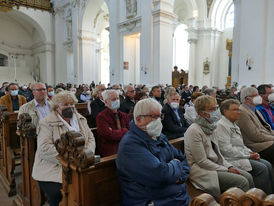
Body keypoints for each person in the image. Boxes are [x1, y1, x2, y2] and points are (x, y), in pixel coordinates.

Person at [116, 98, 190, 206]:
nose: (158, 121)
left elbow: (183, 159)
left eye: (160, 116)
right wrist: (176, 164)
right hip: (152, 201)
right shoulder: (130, 145)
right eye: (153, 117)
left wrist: (178, 178)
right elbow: (160, 175)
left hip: (176, 197)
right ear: (139, 119)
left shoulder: (160, 137)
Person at [32, 91, 95, 206]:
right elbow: (44, 148)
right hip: (52, 166)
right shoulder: (46, 123)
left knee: (89, 187)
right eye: (66, 104)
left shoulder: (80, 119)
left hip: (80, 162)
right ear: (57, 107)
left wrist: (87, 154)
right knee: (59, 193)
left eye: (72, 104)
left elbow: (90, 138)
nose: (70, 107)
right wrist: (71, 160)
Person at [184, 95, 254, 198]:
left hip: (214, 165)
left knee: (247, 176)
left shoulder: (211, 126)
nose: (216, 111)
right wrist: (226, 169)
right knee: (242, 181)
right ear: (202, 113)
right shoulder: (194, 131)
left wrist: (229, 166)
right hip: (201, 170)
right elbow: (202, 161)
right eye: (211, 109)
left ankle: (254, 201)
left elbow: (218, 154)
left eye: (216, 108)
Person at [216, 99, 274, 194]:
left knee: (267, 164)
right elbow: (226, 150)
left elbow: (241, 145)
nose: (238, 112)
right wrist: (248, 155)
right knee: (261, 168)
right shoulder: (221, 126)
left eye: (239, 109)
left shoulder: (233, 123)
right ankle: (260, 198)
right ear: (225, 111)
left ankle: (270, 195)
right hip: (230, 159)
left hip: (240, 155)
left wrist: (250, 152)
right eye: (235, 110)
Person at [236, 87, 274, 164]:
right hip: (255, 145)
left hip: (263, 141)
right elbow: (255, 135)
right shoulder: (243, 112)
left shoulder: (254, 109)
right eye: (255, 95)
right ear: (247, 99)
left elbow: (264, 129)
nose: (259, 97)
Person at [96, 90, 129, 157]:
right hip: (110, 150)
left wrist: (115, 132)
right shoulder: (101, 116)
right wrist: (124, 131)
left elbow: (130, 132)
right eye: (114, 99)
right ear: (106, 102)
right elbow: (109, 135)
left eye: (117, 98)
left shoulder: (124, 115)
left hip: (125, 146)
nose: (117, 101)